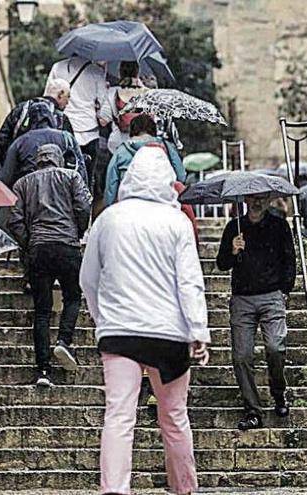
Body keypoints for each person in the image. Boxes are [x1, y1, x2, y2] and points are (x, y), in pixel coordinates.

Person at [80, 144, 210, 495]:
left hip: (119, 332)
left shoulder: (108, 219)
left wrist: (100, 317)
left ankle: (114, 489)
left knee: (119, 416)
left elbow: (88, 278)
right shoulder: (177, 221)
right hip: (169, 334)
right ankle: (184, 488)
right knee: (174, 417)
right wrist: (198, 330)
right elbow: (189, 282)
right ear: (168, 180)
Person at [8, 144, 91, 386]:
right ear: (57, 159)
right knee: (73, 296)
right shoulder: (71, 176)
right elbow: (83, 207)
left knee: (42, 310)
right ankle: (64, 341)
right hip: (67, 245)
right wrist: (77, 230)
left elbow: (15, 220)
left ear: (38, 160)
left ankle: (43, 371)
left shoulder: (22, 184)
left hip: (38, 249)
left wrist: (29, 242)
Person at [216, 192, 296, 431]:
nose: (257, 202)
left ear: (270, 199)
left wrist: (285, 290)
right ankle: (253, 409)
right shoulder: (234, 227)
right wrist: (232, 250)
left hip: (271, 296)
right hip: (243, 298)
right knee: (241, 356)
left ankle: (278, 392)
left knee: (275, 347)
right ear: (245, 200)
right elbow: (222, 264)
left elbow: (289, 259)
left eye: (262, 197)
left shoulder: (280, 226)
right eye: (253, 197)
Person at [48, 56, 109, 193]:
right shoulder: (96, 72)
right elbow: (103, 103)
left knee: (61, 176)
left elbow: (48, 96)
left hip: (62, 129)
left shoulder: (57, 67)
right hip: (89, 132)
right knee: (87, 179)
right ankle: (85, 211)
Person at [0, 102, 87, 189]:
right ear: (51, 118)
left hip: (30, 194)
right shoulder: (67, 138)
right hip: (62, 193)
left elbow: (6, 177)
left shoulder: (19, 142)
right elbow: (81, 170)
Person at [104, 114, 184, 206]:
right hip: (163, 202)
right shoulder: (166, 146)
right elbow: (181, 175)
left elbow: (111, 184)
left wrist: (110, 206)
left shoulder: (121, 151)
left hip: (129, 204)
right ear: (154, 130)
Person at [0, 78, 73, 164]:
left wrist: (10, 164)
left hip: (20, 171)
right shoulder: (61, 119)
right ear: (60, 94)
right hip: (50, 172)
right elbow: (70, 150)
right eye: (68, 96)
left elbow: (2, 139)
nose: (68, 102)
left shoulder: (21, 109)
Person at [99, 61, 149, 154]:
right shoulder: (148, 94)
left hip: (118, 145)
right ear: (138, 73)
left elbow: (103, 121)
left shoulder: (112, 92)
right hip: (142, 146)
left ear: (120, 73)